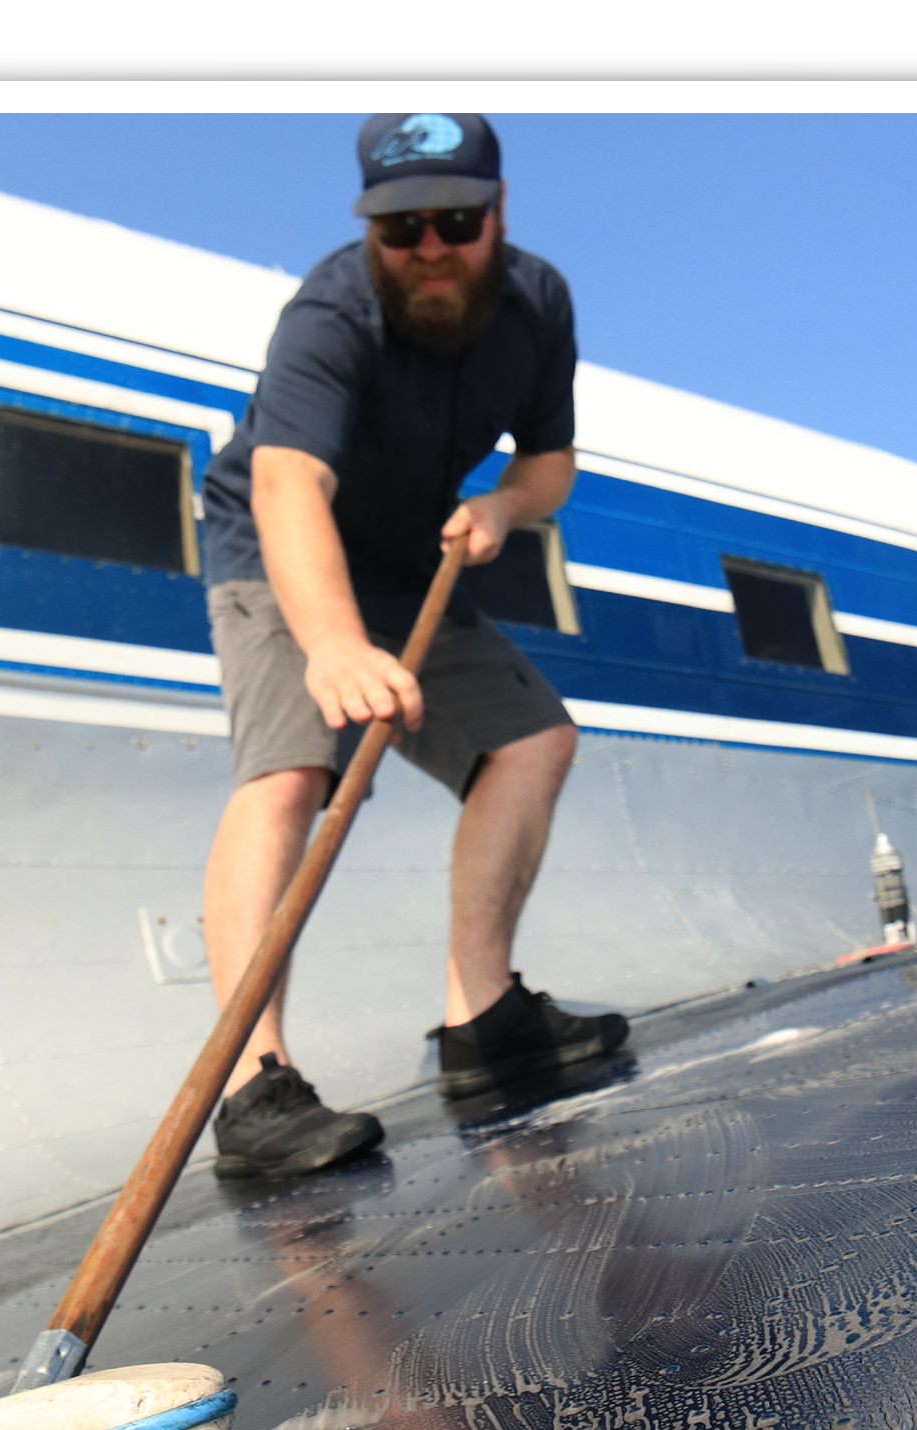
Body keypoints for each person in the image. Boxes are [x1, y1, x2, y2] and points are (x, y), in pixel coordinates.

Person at [197, 112, 628, 1180]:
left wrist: (504, 507)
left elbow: (552, 461)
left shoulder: (539, 304)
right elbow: (290, 480)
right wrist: (335, 644)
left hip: (411, 559)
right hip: (277, 546)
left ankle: (481, 1021)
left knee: (534, 742)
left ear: (499, 210)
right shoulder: (331, 311)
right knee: (290, 773)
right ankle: (254, 1089)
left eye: (456, 220)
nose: (430, 247)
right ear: (370, 231)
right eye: (402, 229)